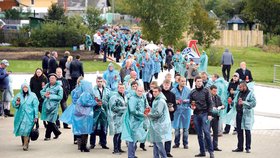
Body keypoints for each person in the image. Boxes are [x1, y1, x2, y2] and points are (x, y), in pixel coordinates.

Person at [190, 76, 214, 158]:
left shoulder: (206, 91)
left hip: (205, 114)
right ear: (195, 82)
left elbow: (210, 103)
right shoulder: (192, 92)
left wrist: (210, 114)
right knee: (199, 134)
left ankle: (211, 151)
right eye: (198, 81)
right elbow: (190, 102)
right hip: (196, 114)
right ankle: (202, 151)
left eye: (201, 81)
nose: (199, 82)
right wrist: (191, 106)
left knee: (207, 132)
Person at [122, 86, 149, 158]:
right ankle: (130, 155)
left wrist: (147, 110)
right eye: (139, 91)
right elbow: (132, 110)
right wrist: (142, 114)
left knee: (135, 139)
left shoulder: (142, 97)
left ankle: (132, 154)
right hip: (133, 121)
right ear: (135, 90)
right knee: (132, 139)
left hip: (140, 120)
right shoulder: (133, 98)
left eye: (141, 91)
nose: (140, 92)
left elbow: (146, 105)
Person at [230, 81, 256, 153]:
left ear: (245, 86)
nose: (239, 88)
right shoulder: (239, 93)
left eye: (240, 87)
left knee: (247, 131)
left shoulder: (250, 93)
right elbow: (235, 102)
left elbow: (254, 103)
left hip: (246, 115)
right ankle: (240, 147)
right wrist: (231, 102)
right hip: (238, 114)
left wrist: (244, 103)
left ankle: (248, 148)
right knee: (239, 131)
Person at [146, 86, 172, 158]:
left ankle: (164, 156)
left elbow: (158, 113)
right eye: (153, 91)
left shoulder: (160, 101)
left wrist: (149, 114)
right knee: (155, 142)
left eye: (156, 91)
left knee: (158, 143)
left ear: (159, 92)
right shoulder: (157, 99)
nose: (154, 93)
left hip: (160, 124)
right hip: (157, 123)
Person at [72, 80, 98, 152]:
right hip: (85, 114)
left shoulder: (83, 93)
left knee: (83, 131)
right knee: (85, 131)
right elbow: (85, 102)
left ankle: (82, 146)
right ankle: (84, 146)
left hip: (81, 114)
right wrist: (95, 102)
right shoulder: (86, 94)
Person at [12, 82, 39, 151]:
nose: (25, 89)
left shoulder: (33, 95)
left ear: (28, 88)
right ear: (22, 88)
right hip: (20, 115)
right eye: (24, 87)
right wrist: (17, 104)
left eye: (26, 87)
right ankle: (24, 142)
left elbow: (35, 106)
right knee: (22, 129)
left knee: (27, 130)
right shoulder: (18, 95)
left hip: (30, 115)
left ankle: (25, 144)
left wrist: (36, 116)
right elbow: (14, 104)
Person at [40, 73, 63, 141]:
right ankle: (57, 132)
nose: (51, 79)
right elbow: (41, 92)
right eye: (50, 78)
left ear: (56, 79)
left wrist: (50, 96)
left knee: (50, 121)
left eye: (53, 78)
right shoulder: (47, 86)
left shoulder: (59, 87)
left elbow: (60, 97)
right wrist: (45, 94)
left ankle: (47, 136)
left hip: (54, 106)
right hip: (46, 105)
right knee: (49, 120)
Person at [171, 77, 191, 150]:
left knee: (186, 128)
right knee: (177, 128)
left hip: (186, 110)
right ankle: (176, 143)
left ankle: (185, 143)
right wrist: (175, 101)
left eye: (185, 81)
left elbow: (191, 100)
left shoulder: (188, 90)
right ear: (178, 81)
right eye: (182, 81)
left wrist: (187, 100)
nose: (183, 83)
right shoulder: (173, 90)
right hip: (177, 110)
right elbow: (171, 100)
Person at [90, 76, 111, 149]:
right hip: (95, 111)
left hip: (104, 111)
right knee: (93, 128)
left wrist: (104, 103)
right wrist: (96, 103)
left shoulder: (107, 91)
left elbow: (109, 101)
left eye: (101, 81)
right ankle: (92, 143)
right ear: (96, 82)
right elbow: (90, 100)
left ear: (103, 82)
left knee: (104, 127)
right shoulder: (93, 90)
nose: (100, 83)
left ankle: (103, 143)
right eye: (98, 81)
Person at [108, 84, 127, 154]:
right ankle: (115, 149)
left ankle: (119, 148)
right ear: (117, 88)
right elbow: (113, 108)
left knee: (121, 133)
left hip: (122, 118)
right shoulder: (114, 97)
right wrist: (124, 109)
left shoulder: (124, 96)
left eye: (123, 88)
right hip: (116, 117)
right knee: (117, 134)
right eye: (120, 88)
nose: (122, 89)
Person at [161, 79, 177, 157]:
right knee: (160, 135)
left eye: (168, 85)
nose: (166, 86)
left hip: (170, 117)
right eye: (165, 84)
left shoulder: (172, 94)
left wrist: (173, 109)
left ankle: (167, 151)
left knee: (168, 135)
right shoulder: (159, 94)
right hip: (160, 118)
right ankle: (160, 150)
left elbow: (175, 105)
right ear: (163, 84)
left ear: (170, 85)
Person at [209, 85, 224, 151]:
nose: (215, 92)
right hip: (209, 116)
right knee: (207, 132)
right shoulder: (208, 97)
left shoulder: (217, 97)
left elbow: (221, 104)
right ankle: (207, 146)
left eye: (216, 91)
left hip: (216, 116)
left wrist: (222, 106)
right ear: (210, 90)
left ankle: (215, 146)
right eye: (214, 91)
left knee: (215, 132)